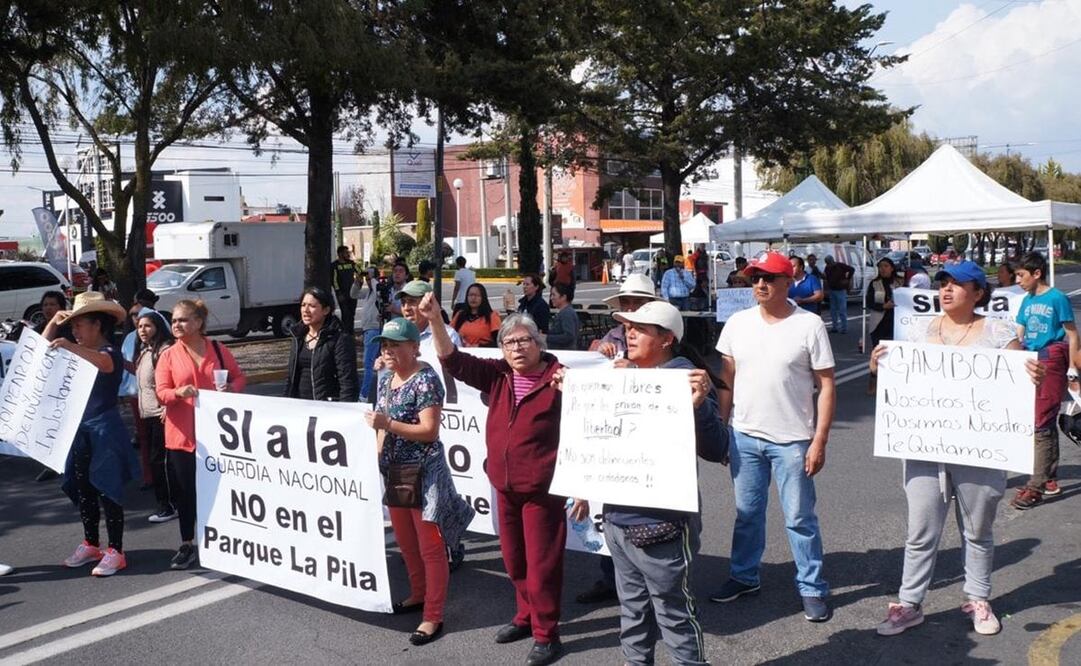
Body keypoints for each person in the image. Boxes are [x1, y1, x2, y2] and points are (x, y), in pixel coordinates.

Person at [869, 260, 1043, 636]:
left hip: (979, 450)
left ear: (978, 293)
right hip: (925, 449)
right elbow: (900, 383)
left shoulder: (999, 332)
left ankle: (978, 599)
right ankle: (909, 603)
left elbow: (1017, 390)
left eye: (957, 284)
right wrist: (879, 368)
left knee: (977, 529)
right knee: (920, 530)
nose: (946, 289)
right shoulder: (918, 331)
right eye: (943, 282)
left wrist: (1032, 375)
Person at [423, 294, 580, 666]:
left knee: (542, 567)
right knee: (514, 561)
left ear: (539, 343)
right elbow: (452, 360)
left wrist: (581, 487)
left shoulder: (562, 380)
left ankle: (547, 635)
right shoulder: (498, 375)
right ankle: (526, 616)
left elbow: (586, 430)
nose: (516, 348)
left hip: (542, 491)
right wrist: (435, 321)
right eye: (509, 342)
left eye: (524, 340)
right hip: (504, 487)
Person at [586, 300, 726, 666]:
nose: (629, 334)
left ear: (666, 339)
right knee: (632, 611)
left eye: (640, 329)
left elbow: (717, 448)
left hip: (662, 524)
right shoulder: (623, 376)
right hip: (617, 520)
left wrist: (699, 406)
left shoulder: (685, 380)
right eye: (627, 327)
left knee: (673, 613)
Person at [712, 251, 836, 623]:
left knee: (799, 518)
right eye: (755, 278)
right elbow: (726, 380)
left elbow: (827, 385)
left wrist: (819, 440)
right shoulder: (738, 323)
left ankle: (812, 587)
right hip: (744, 436)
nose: (761, 284)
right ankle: (744, 576)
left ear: (788, 281)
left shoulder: (809, 325)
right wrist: (722, 428)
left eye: (769, 278)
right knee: (747, 514)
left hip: (793, 440)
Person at [365, 317, 474, 646]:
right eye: (385, 345)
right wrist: (376, 456)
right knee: (406, 542)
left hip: (424, 474)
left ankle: (433, 615)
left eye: (395, 345)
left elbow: (429, 431)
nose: (389, 350)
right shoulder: (387, 379)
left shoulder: (425, 380)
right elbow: (380, 426)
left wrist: (388, 424)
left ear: (415, 347)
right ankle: (418, 593)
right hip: (396, 472)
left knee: (430, 547)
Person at [45, 292, 133, 576]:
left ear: (97, 325)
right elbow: (40, 351)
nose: (74, 331)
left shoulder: (108, 352)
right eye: (72, 326)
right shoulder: (76, 350)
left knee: (108, 489)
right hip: (79, 430)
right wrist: (54, 324)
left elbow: (105, 364)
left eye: (79, 325)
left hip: (104, 429)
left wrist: (70, 346)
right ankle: (91, 543)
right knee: (83, 488)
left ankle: (116, 550)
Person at [156, 299, 246, 570]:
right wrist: (177, 393)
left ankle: (222, 541)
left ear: (198, 323)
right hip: (182, 437)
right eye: (174, 320)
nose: (176, 325)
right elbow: (161, 392)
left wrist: (231, 389)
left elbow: (239, 378)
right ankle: (187, 543)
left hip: (217, 436)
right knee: (186, 494)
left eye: (182, 320)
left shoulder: (218, 349)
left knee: (220, 491)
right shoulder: (168, 355)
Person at [1011, 252, 1078, 509]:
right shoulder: (1027, 300)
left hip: (1052, 356)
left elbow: (1072, 334)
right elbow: (1019, 331)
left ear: (1037, 273)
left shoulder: (1057, 298)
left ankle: (1036, 486)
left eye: (1021, 275)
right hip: (1031, 358)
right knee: (1042, 418)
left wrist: (1072, 368)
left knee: (1041, 420)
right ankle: (1049, 478)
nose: (1018, 280)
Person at [133, 308, 176, 523]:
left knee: (160, 461)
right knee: (156, 460)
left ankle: (168, 505)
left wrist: (168, 406)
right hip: (149, 414)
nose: (142, 330)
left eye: (147, 326)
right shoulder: (146, 350)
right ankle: (167, 503)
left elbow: (172, 380)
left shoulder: (164, 350)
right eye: (140, 326)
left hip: (162, 414)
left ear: (158, 327)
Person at [285, 287, 358, 402]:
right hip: (299, 407)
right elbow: (291, 379)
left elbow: (348, 383)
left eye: (312, 306)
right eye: (303, 305)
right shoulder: (298, 337)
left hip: (326, 408)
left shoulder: (340, 339)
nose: (306, 310)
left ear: (326, 310)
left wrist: (344, 408)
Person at [32, 291, 71, 482]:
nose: (48, 308)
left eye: (52, 304)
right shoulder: (39, 329)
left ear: (61, 307)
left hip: (67, 384)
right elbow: (37, 349)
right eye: (45, 304)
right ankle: (51, 463)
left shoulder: (70, 329)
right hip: (46, 384)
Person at [866, 257, 902, 393]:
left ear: (892, 268)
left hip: (897, 322)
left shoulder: (900, 282)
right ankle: (874, 382)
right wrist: (883, 306)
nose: (883, 269)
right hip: (879, 323)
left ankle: (893, 383)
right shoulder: (874, 283)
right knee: (878, 353)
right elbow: (869, 302)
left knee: (895, 353)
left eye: (886, 266)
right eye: (880, 266)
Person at [357, 268, 383, 402]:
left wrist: (372, 277)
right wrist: (357, 282)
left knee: (368, 363)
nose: (367, 280)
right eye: (366, 278)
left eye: (369, 278)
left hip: (374, 329)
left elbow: (377, 287)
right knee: (376, 363)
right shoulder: (368, 292)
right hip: (367, 329)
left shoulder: (379, 290)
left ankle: (364, 394)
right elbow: (353, 294)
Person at [451, 283, 502, 348]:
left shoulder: (492, 316)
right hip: (462, 351)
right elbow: (450, 333)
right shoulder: (460, 314)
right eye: (470, 295)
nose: (473, 298)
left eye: (477, 295)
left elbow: (499, 342)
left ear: (483, 298)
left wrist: (479, 346)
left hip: (483, 352)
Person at [332, 245, 359, 335]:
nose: (348, 254)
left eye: (348, 252)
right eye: (346, 253)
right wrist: (338, 293)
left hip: (353, 293)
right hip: (342, 295)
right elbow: (334, 281)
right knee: (345, 315)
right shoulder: (335, 265)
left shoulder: (351, 263)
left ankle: (351, 334)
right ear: (340, 254)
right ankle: (345, 334)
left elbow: (360, 272)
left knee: (352, 315)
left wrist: (360, 281)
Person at [822, 255, 854, 334]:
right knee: (833, 310)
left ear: (832, 261)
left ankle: (844, 328)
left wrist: (848, 279)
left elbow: (852, 269)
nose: (828, 264)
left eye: (829, 263)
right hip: (832, 290)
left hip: (840, 290)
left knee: (841, 310)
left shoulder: (840, 265)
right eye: (827, 263)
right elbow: (826, 278)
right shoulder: (827, 268)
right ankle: (835, 327)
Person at [546, 283, 578, 351]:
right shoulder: (564, 312)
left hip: (565, 352)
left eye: (554, 295)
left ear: (563, 297)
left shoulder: (567, 313)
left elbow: (568, 336)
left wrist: (546, 337)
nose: (551, 298)